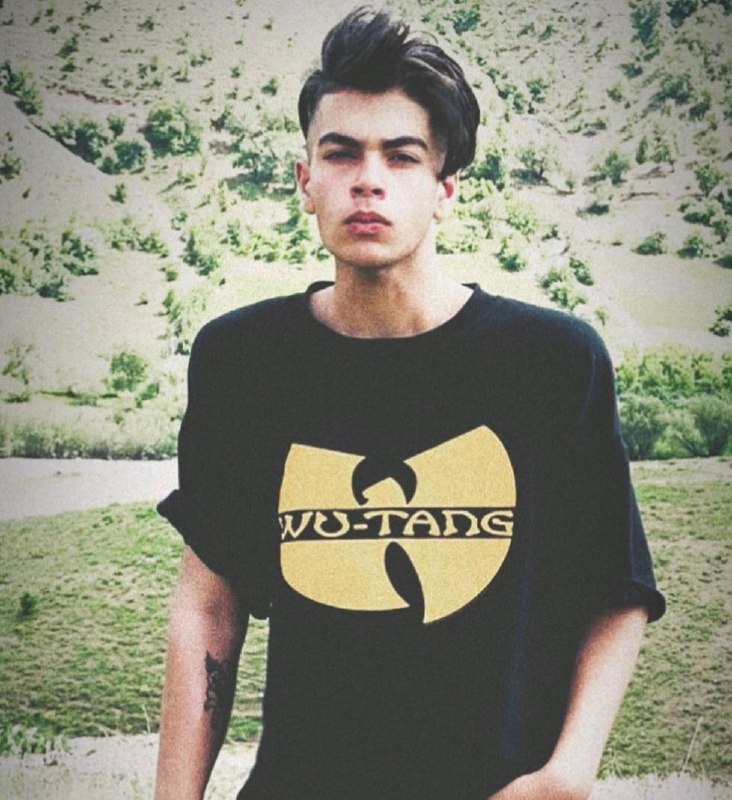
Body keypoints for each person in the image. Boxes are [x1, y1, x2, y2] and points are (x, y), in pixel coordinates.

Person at [154, 7, 665, 800]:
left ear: (443, 189)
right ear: (306, 182)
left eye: (401, 155)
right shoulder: (244, 362)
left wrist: (566, 775)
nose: (368, 179)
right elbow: (210, 605)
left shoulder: (551, 362)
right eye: (341, 153)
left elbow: (615, 588)